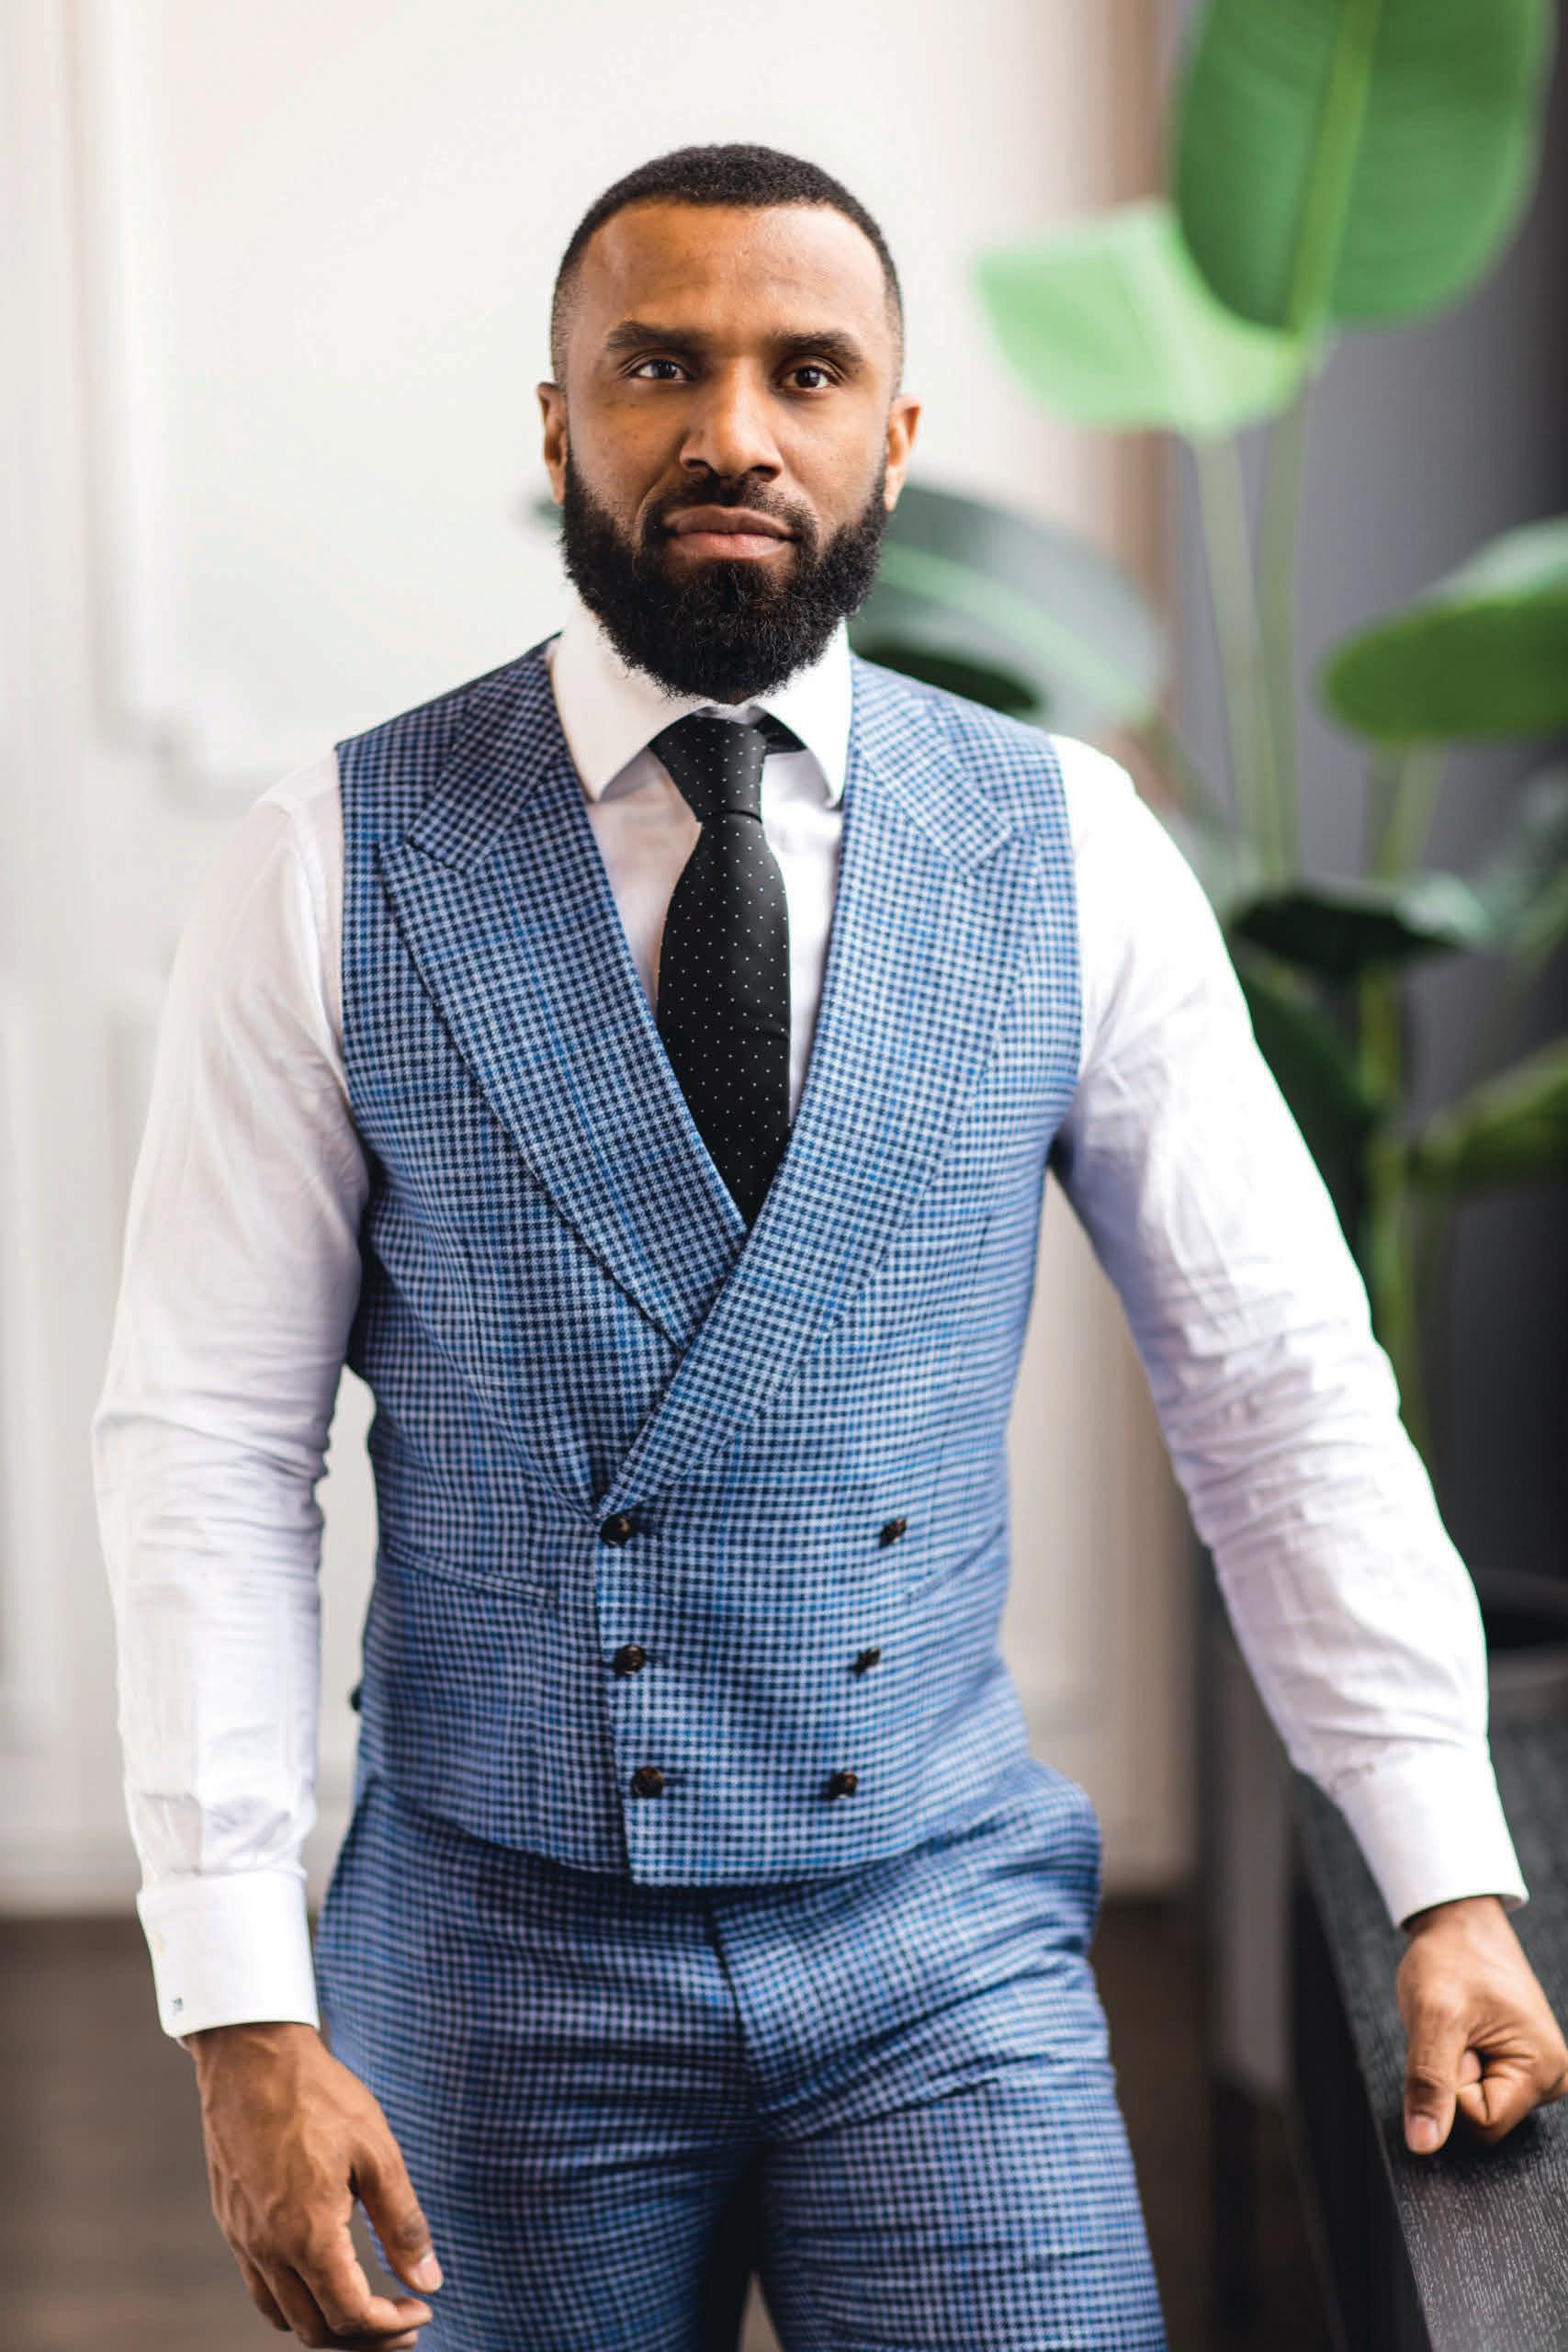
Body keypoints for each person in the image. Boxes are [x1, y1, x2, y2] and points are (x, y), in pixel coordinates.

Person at [92, 141, 1567, 2352]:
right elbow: (205, 1447)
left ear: (893, 433)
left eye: (803, 370)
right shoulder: (324, 861)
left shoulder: (1073, 850)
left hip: (936, 1936)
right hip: (484, 1953)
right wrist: (237, 2006)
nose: (730, 431)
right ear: (556, 422)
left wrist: (1439, 1871)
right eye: (655, 367)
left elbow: (1271, 1383)